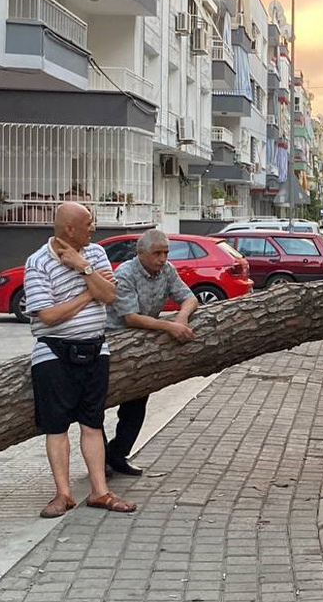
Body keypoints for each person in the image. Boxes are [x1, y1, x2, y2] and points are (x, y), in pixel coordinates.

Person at [24, 202, 135, 517]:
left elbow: (111, 295)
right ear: (70, 229)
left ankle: (100, 492)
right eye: (88, 223)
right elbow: (48, 315)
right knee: (56, 426)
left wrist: (82, 267)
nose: (94, 227)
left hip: (95, 349)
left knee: (92, 422)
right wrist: (89, 293)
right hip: (53, 353)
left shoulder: (97, 254)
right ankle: (63, 494)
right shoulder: (38, 262)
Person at [104, 230, 199, 476]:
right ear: (141, 253)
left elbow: (189, 298)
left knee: (136, 405)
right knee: (98, 405)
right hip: (115, 345)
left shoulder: (167, 270)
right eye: (157, 253)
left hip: (143, 348)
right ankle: (100, 459)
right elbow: (130, 317)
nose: (162, 259)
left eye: (166, 253)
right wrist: (170, 326)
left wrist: (181, 316)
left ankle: (117, 455)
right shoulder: (124, 274)